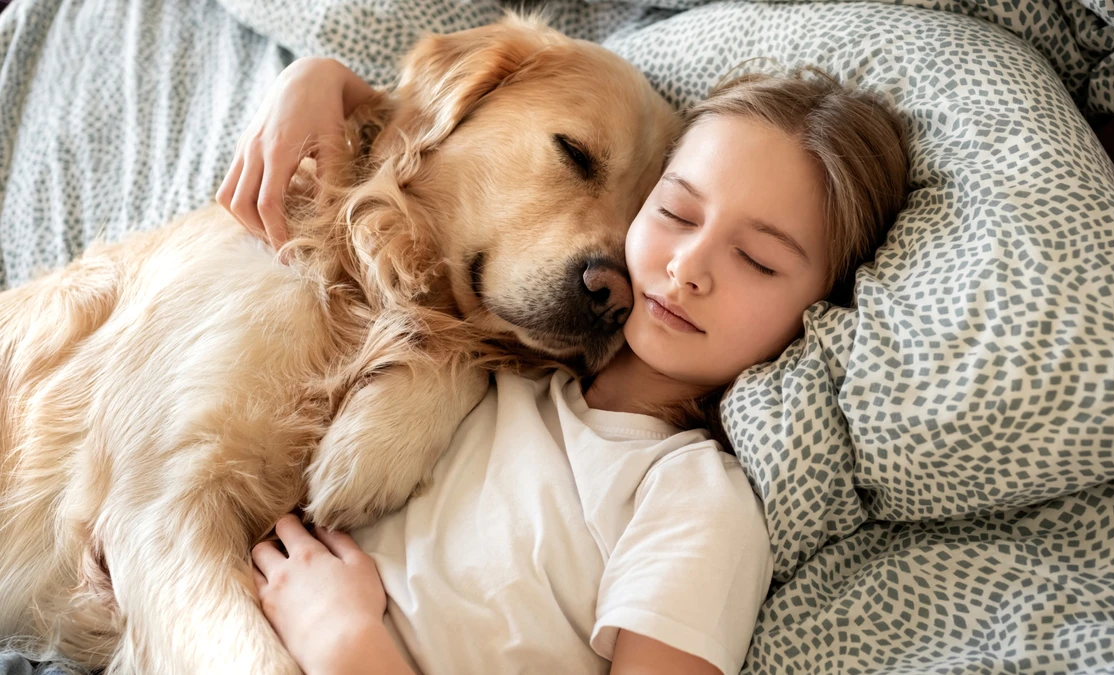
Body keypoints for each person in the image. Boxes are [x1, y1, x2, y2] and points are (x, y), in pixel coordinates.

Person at [218, 55, 909, 675]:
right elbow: (431, 145)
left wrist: (346, 643)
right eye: (673, 211)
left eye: (757, 260)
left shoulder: (695, 500)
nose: (686, 267)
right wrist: (317, 79)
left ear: (819, 315)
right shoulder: (508, 365)